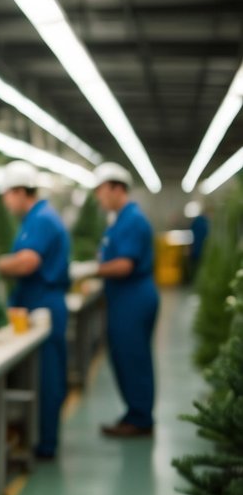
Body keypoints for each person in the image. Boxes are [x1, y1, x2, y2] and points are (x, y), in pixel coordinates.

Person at [0, 161, 71, 460]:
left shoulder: (41, 220)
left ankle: (46, 444)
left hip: (44, 306)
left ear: (19, 191)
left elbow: (28, 262)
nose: (4, 202)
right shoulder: (35, 218)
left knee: (48, 378)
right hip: (36, 303)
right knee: (41, 377)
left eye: (6, 194)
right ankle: (37, 436)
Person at [91, 162, 159, 438]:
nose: (98, 197)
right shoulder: (119, 220)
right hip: (123, 298)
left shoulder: (132, 219)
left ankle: (141, 419)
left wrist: (91, 270)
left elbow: (124, 265)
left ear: (117, 188)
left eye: (101, 190)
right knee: (123, 356)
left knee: (133, 357)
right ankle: (134, 413)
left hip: (134, 297)